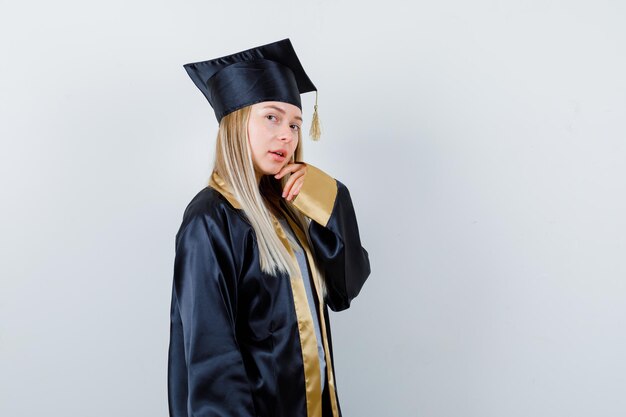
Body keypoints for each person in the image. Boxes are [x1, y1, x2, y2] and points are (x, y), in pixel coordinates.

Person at [167, 38, 371, 417]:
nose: (287, 136)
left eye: (295, 124)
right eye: (272, 117)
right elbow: (212, 363)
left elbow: (346, 288)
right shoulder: (210, 220)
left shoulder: (291, 209)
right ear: (236, 122)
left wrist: (331, 198)